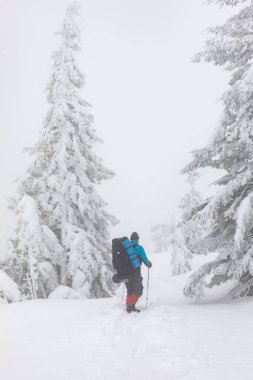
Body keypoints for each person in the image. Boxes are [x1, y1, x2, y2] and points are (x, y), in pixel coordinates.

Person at [125, 232, 152, 313]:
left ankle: (128, 303)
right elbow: (145, 259)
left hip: (126, 273)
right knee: (138, 289)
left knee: (130, 288)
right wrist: (149, 264)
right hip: (135, 272)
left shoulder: (126, 248)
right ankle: (131, 305)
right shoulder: (139, 248)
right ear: (137, 239)